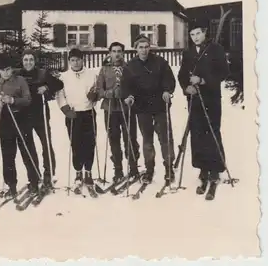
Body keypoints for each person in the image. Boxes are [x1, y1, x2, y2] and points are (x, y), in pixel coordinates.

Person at [177, 21, 230, 199]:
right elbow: (182, 74)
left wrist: (203, 80)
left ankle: (215, 170)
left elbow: (223, 72)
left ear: (204, 33)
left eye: (198, 33)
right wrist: (186, 87)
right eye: (192, 35)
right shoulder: (188, 52)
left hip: (211, 98)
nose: (195, 37)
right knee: (197, 133)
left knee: (212, 131)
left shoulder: (216, 49)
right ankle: (203, 170)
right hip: (194, 99)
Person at [121, 35, 176, 184]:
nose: (144, 50)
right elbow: (126, 85)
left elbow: (169, 79)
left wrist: (167, 90)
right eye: (140, 47)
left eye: (146, 47)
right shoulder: (130, 66)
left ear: (149, 47)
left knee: (165, 138)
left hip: (160, 105)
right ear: (136, 49)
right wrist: (129, 96)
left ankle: (169, 168)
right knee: (147, 140)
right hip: (142, 107)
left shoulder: (160, 62)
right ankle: (149, 170)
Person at [0, 55, 40, 197]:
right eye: (3, 70)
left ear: (11, 69)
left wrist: (12, 100)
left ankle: (34, 181)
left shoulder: (20, 80)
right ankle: (11, 184)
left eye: (8, 69)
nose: (6, 73)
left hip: (22, 118)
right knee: (8, 154)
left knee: (27, 150)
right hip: (5, 120)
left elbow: (28, 99)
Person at [95, 42, 140, 183]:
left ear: (123, 53)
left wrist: (131, 96)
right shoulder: (104, 70)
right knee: (114, 139)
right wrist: (109, 93)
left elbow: (136, 87)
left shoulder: (130, 68)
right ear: (109, 53)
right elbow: (98, 90)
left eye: (119, 51)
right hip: (110, 109)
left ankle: (133, 167)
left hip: (127, 108)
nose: (117, 54)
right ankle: (118, 169)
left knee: (130, 138)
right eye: (114, 51)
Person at [18, 50, 64, 188]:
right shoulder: (18, 75)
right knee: (28, 146)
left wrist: (46, 86)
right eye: (25, 59)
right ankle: (33, 175)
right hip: (24, 115)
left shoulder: (42, 73)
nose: (28, 62)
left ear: (35, 61)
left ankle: (49, 173)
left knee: (46, 143)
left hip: (40, 113)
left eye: (31, 59)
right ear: (22, 61)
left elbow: (59, 84)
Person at [56, 48, 99, 191]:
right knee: (76, 144)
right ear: (69, 61)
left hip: (88, 113)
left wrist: (95, 97)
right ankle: (78, 172)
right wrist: (65, 109)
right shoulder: (63, 77)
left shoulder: (91, 74)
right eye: (73, 60)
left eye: (78, 59)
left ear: (83, 60)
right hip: (73, 115)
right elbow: (60, 95)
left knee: (90, 143)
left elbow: (96, 90)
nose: (75, 62)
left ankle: (88, 172)